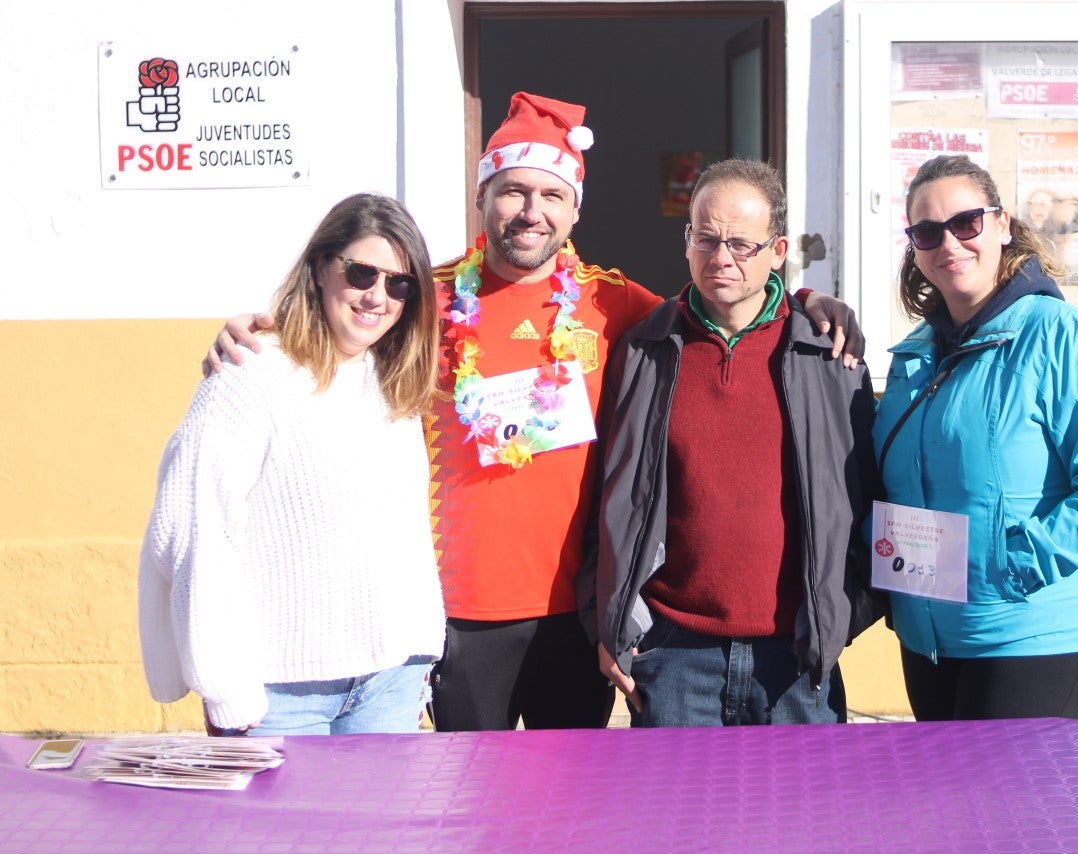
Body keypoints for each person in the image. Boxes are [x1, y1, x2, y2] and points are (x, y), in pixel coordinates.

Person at [202, 93, 864, 732]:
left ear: (575, 210)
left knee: (574, 796)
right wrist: (262, 333)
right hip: (457, 615)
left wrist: (807, 303)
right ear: (481, 198)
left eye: (551, 194)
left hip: (577, 616)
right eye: (513, 191)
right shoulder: (422, 301)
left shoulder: (615, 305)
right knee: (471, 796)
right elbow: (343, 324)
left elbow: (724, 300)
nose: (531, 211)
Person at [584, 159, 884, 727]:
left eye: (742, 244)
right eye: (706, 238)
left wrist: (842, 617)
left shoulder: (829, 356)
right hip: (673, 657)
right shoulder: (643, 351)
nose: (721, 257)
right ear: (687, 241)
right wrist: (609, 622)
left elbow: (868, 496)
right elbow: (605, 499)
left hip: (797, 661)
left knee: (806, 793)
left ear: (778, 251)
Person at [138, 193, 446, 736]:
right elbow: (195, 527)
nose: (377, 296)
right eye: (361, 272)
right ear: (321, 268)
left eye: (400, 284)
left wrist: (420, 653)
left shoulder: (395, 382)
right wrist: (225, 688)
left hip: (391, 685)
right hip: (278, 697)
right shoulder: (249, 373)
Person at [874, 154, 1078, 722]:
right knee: (947, 785)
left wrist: (1010, 565)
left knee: (1006, 786)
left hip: (1035, 633)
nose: (949, 243)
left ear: (1002, 225)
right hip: (932, 637)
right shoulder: (915, 355)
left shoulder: (1064, 337)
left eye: (966, 223)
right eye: (928, 231)